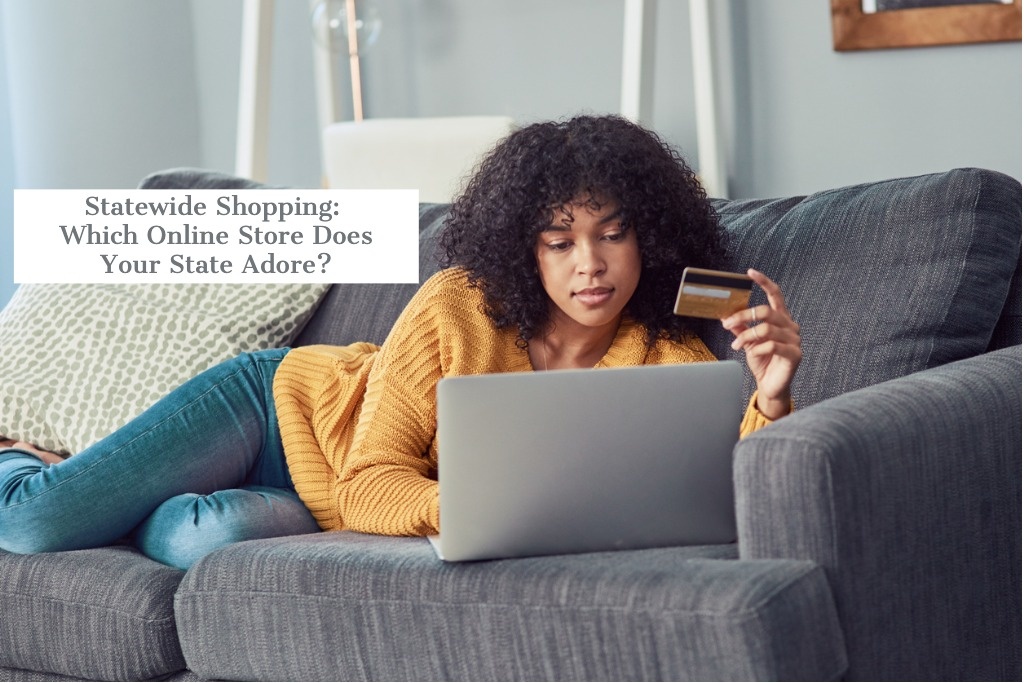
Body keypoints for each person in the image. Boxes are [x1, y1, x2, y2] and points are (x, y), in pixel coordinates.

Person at [0, 114, 801, 569]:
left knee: (209, 536)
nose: (589, 264)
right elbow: (370, 482)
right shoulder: (460, 306)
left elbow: (716, 497)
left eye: (612, 235)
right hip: (275, 409)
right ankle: (21, 457)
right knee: (34, 522)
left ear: (649, 239)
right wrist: (482, 511)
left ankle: (131, 495)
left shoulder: (664, 355)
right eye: (560, 241)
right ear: (525, 248)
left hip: (316, 499)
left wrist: (769, 394)